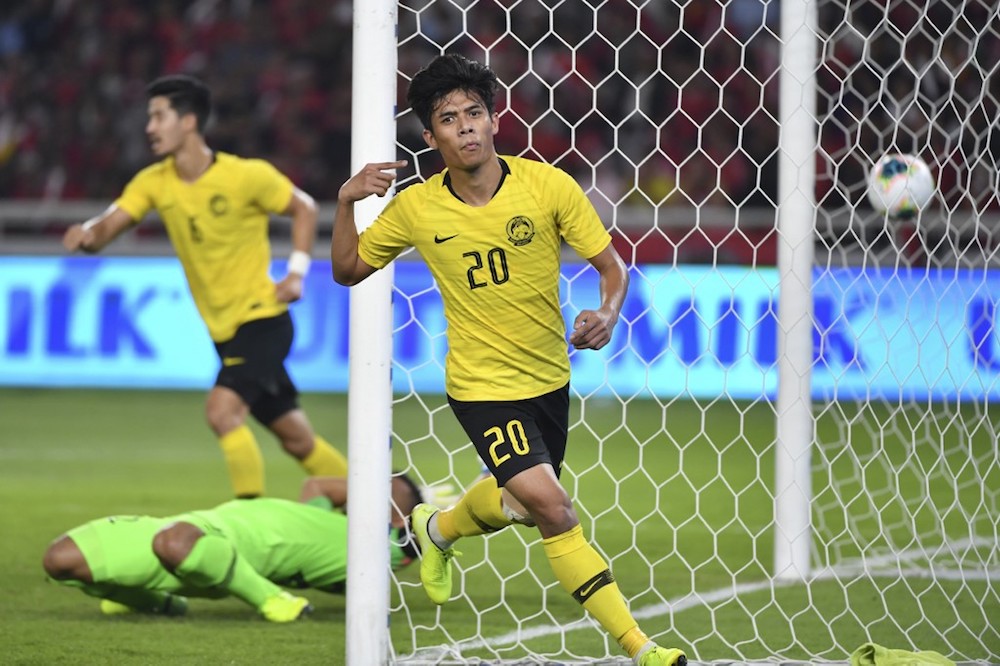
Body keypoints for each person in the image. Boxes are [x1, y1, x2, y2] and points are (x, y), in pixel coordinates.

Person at [330, 54, 686, 666]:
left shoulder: (548, 187)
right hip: (480, 387)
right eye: (449, 118)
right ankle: (641, 648)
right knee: (553, 507)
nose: (465, 127)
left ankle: (434, 531)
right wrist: (344, 203)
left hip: (548, 379)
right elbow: (347, 269)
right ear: (429, 135)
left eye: (474, 113)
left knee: (521, 504)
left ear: (494, 121)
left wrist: (607, 313)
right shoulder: (416, 208)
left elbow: (611, 268)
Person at [61, 74, 347, 498]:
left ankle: (246, 520)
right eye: (149, 118)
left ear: (189, 121)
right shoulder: (153, 182)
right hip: (225, 335)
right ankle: (389, 503)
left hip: (263, 322)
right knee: (297, 440)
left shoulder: (244, 175)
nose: (149, 128)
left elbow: (304, 208)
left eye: (159, 117)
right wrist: (86, 234)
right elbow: (110, 224)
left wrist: (296, 272)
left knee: (221, 412)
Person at [42, 474, 423, 622]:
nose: (374, 490)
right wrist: (371, 483)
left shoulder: (377, 548)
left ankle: (273, 601)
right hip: (201, 522)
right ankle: (153, 601)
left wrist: (421, 513)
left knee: (174, 544)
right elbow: (317, 485)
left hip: (224, 545)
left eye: (386, 492)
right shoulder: (324, 514)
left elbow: (429, 536)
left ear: (399, 520)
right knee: (58, 561)